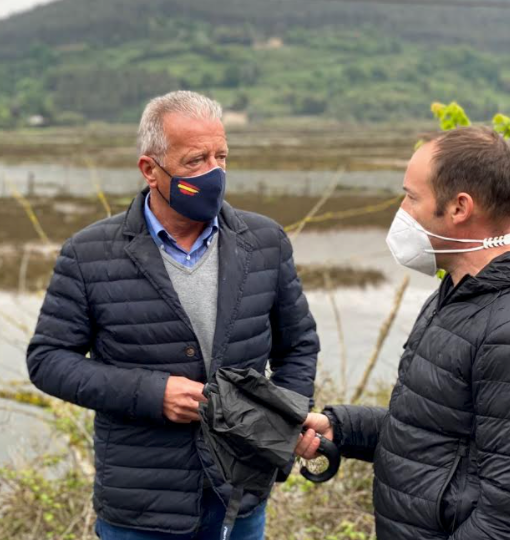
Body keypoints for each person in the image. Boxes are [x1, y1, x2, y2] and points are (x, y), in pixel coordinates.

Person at [26, 90, 320, 539]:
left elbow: (297, 346)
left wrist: (283, 422)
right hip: (140, 507)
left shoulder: (264, 242)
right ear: (150, 170)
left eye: (221, 156)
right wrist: (151, 392)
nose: (213, 173)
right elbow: (48, 360)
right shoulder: (89, 255)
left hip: (238, 498)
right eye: (195, 161)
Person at [297, 126, 510, 540]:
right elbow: (436, 436)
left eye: (411, 197)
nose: (401, 211)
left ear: (459, 208)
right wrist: (340, 428)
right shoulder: (462, 292)